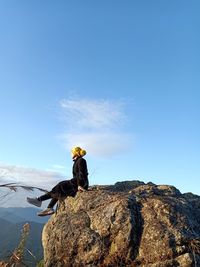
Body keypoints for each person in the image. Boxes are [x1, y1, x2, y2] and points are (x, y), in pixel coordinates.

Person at [27, 146, 89, 216]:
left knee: (60, 186)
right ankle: (47, 206)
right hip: (77, 182)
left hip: (80, 183)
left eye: (72, 152)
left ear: (75, 153)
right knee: (59, 190)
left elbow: (82, 173)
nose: (71, 154)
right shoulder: (77, 161)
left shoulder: (81, 160)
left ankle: (40, 200)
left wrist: (80, 185)